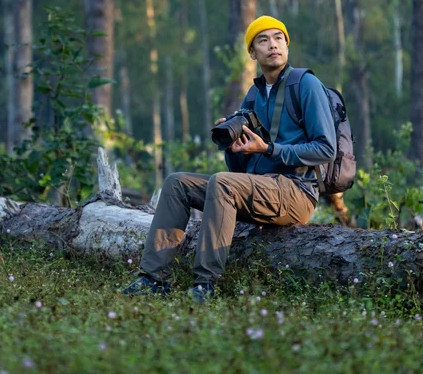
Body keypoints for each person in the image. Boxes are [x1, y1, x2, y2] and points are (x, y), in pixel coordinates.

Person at [123, 15, 337, 303]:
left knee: (223, 183)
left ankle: (204, 285)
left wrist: (269, 149)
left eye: (278, 38)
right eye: (263, 40)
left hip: (296, 190)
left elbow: (326, 149)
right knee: (176, 183)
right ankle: (152, 277)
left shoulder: (305, 84)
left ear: (287, 45)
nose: (272, 45)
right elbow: (240, 171)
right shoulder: (253, 95)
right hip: (260, 189)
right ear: (252, 53)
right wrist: (233, 148)